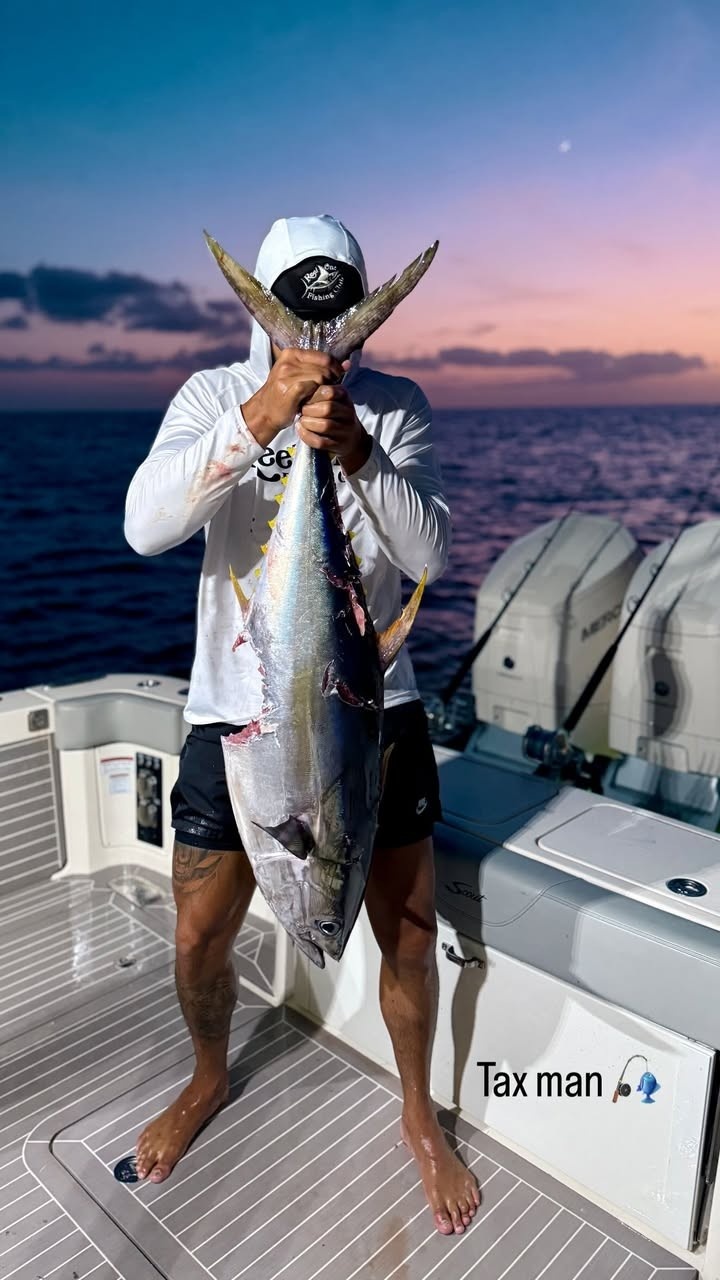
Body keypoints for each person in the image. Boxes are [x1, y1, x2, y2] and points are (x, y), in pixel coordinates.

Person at [124, 213, 480, 1235]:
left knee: (407, 930)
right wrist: (258, 416)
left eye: (339, 325)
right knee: (197, 931)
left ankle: (418, 1112)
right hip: (236, 709)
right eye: (301, 321)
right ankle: (206, 1077)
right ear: (264, 308)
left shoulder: (397, 408)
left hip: (375, 706)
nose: (324, 344)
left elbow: (433, 559)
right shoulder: (209, 395)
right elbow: (145, 527)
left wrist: (360, 451)